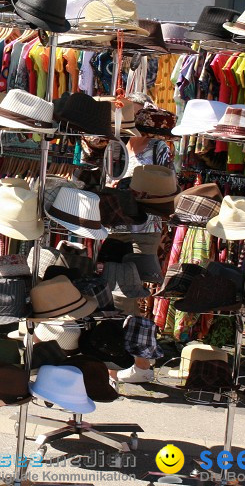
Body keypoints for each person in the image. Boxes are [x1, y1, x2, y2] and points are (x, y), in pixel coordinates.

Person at [105, 125, 172, 384]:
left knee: (132, 293)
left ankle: (128, 364)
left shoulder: (158, 147)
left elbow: (168, 184)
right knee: (111, 291)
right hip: (115, 225)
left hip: (145, 228)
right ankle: (131, 365)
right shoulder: (116, 146)